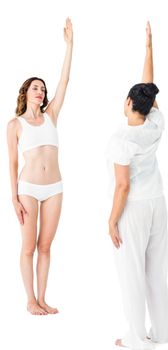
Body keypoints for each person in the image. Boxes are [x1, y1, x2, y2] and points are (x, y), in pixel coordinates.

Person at [105, 22, 168, 349]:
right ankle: (163, 333)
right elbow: (149, 87)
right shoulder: (155, 123)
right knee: (156, 271)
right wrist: (149, 48)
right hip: (157, 204)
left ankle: (136, 337)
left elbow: (122, 187)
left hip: (133, 209)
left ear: (128, 103)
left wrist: (111, 220)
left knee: (131, 272)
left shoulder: (121, 139)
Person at [7, 18, 73, 315]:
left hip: (55, 188)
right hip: (28, 189)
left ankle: (43, 298)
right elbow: (11, 162)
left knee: (46, 247)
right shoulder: (15, 124)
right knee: (29, 247)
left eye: (43, 89)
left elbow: (64, 81)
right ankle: (29, 300)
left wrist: (70, 45)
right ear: (26, 92)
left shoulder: (51, 115)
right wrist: (13, 197)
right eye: (36, 88)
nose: (41, 92)